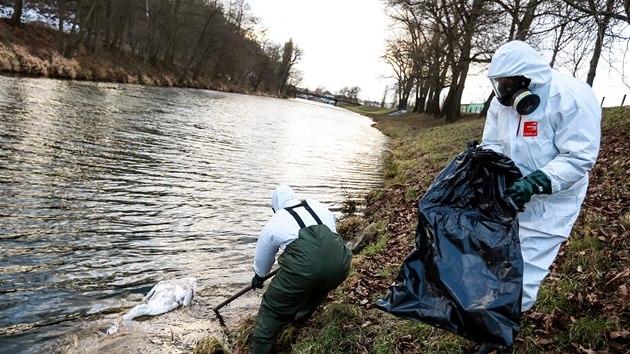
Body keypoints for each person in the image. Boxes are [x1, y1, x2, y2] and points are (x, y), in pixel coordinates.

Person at [479, 40, 601, 351]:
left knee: (527, 268)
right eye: (498, 84)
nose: (502, 92)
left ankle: (501, 335)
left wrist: (537, 182)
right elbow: (493, 143)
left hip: (552, 203)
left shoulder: (571, 97)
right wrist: (488, 172)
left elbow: (580, 157)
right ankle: (491, 314)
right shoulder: (501, 105)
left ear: (528, 80)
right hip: (511, 195)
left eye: (508, 84)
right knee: (498, 257)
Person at [250, 185, 352, 354]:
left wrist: (259, 276)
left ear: (275, 206)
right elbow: (331, 237)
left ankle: (261, 347)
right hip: (340, 265)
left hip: (306, 271)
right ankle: (299, 320)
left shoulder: (276, 220)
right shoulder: (318, 205)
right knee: (318, 289)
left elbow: (264, 255)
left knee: (271, 310)